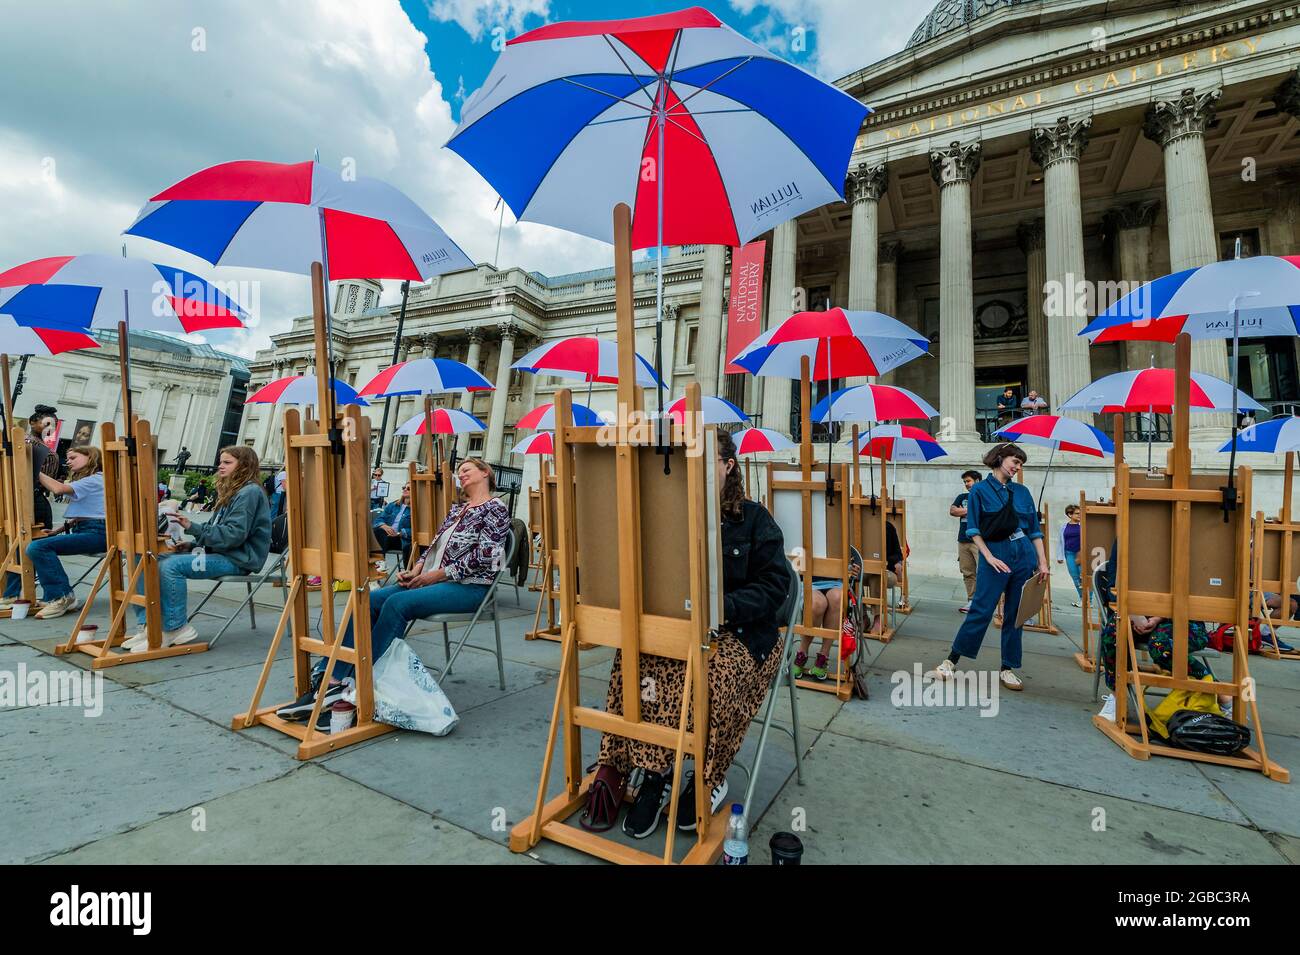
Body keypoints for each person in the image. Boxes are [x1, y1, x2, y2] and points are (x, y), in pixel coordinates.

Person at [590, 429, 788, 839]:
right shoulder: (669, 514)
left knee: (709, 675)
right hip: (680, 628)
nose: (694, 469)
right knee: (633, 661)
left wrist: (720, 609)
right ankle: (654, 769)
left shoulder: (753, 518)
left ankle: (707, 776)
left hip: (744, 634)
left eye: (705, 460)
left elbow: (774, 588)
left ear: (727, 466)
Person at [277, 458, 510, 729]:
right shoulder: (458, 508)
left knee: (397, 604)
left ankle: (360, 685)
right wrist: (417, 569)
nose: (462, 475)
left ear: (485, 473)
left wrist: (437, 574)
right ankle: (335, 679)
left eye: (467, 470)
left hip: (470, 587)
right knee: (369, 599)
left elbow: (488, 558)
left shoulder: (495, 508)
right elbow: (433, 547)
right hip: (433, 580)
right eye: (459, 472)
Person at [123, 446, 271, 651]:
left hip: (237, 559)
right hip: (220, 553)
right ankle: (148, 625)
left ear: (244, 466)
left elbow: (233, 535)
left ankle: (175, 627)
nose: (220, 466)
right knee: (146, 558)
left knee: (171, 566)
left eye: (227, 462)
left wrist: (193, 528)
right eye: (221, 461)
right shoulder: (233, 491)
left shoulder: (249, 492)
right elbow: (219, 530)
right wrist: (193, 544)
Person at [931, 443, 1048, 692]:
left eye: (1020, 464)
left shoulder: (1023, 492)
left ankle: (1008, 667)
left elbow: (1035, 531)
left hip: (1024, 556)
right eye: (1014, 461)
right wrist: (989, 557)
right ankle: (951, 660)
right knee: (981, 610)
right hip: (994, 554)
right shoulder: (980, 491)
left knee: (1016, 615)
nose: (1017, 467)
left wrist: (1043, 562)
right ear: (999, 459)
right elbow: (973, 529)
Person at [0, 444, 106, 617]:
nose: (68, 462)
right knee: (26, 543)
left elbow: (58, 489)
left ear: (91, 457)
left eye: (73, 458)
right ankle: (13, 594)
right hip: (88, 530)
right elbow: (85, 515)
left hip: (98, 533)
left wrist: (33, 468)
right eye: (68, 458)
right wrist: (57, 531)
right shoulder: (90, 480)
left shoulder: (97, 479)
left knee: (38, 547)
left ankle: (62, 596)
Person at [951, 469, 981, 613]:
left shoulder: (984, 497)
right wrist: (971, 509)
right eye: (965, 482)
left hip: (979, 541)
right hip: (963, 540)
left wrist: (963, 510)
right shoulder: (962, 496)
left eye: (968, 481)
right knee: (967, 572)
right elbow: (952, 511)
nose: (966, 484)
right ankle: (971, 601)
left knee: (982, 572)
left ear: (977, 481)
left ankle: (982, 601)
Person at [374, 483, 413, 564]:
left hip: (401, 540)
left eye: (408, 488)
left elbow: (416, 530)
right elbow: (378, 520)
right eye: (404, 487)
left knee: (381, 534)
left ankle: (379, 563)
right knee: (378, 531)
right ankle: (379, 563)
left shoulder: (416, 509)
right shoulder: (393, 505)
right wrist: (384, 526)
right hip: (387, 537)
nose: (405, 489)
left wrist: (400, 533)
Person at [1057, 503, 1083, 607]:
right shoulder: (1064, 527)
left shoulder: (1084, 525)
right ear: (1069, 515)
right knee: (1075, 577)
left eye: (1080, 513)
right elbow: (1060, 542)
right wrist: (1060, 557)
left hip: (1081, 554)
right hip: (1069, 554)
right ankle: (1082, 599)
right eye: (1077, 514)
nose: (1079, 515)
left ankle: (1088, 601)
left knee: (1084, 578)